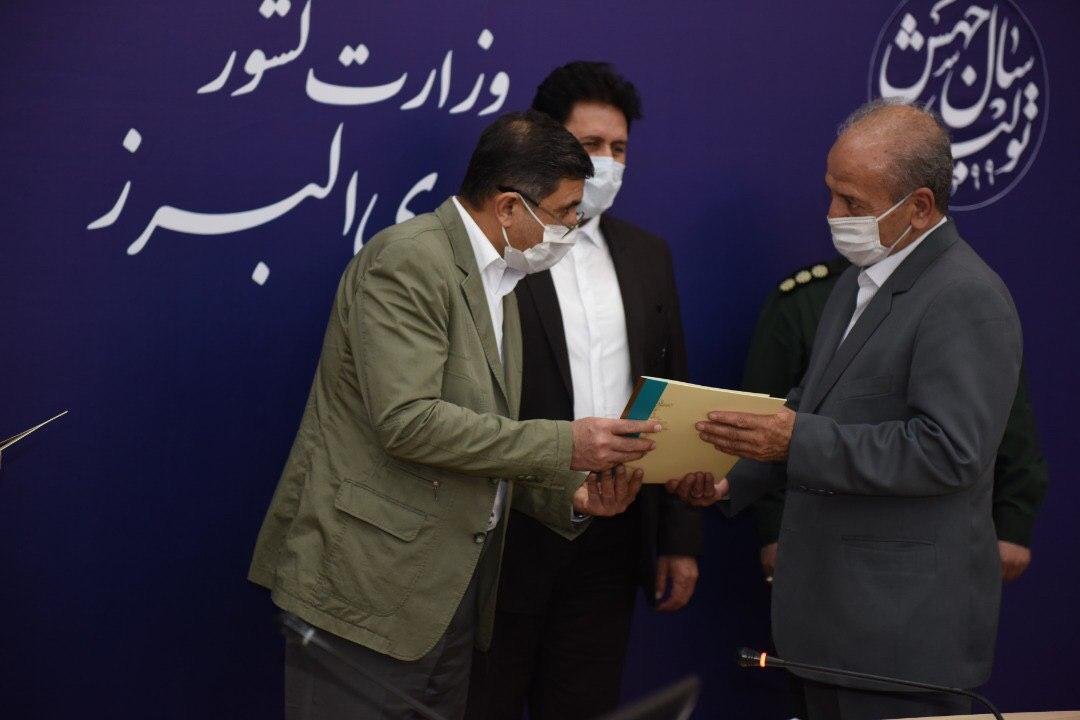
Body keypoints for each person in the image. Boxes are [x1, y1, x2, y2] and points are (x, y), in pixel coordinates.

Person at [248, 110, 664, 720]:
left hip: (452, 597)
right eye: (564, 212)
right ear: (508, 208)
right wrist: (566, 445)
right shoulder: (409, 260)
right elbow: (409, 422)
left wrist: (569, 496)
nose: (574, 227)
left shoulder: (503, 281)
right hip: (368, 587)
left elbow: (481, 440)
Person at [668, 99, 1023, 720]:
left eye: (852, 201)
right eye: (831, 192)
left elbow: (950, 452)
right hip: (827, 628)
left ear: (919, 207)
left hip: (897, 636)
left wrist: (793, 440)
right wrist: (729, 479)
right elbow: (815, 407)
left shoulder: (964, 295)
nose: (832, 215)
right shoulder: (855, 283)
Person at [465, 62, 702, 720]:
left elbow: (672, 386)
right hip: (508, 531)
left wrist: (679, 536)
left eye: (619, 148)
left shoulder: (648, 255)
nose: (607, 163)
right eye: (590, 145)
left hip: (613, 533)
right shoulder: (500, 248)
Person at [744, 257, 1046, 585]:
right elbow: (773, 414)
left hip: (919, 550)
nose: (837, 224)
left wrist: (1013, 518)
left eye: (850, 205)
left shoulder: (960, 293)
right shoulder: (827, 293)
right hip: (816, 541)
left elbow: (999, 418)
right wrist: (767, 520)